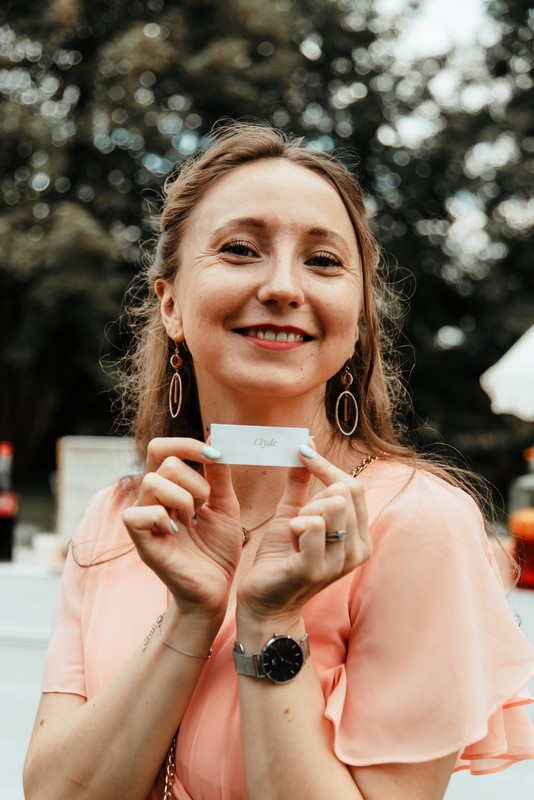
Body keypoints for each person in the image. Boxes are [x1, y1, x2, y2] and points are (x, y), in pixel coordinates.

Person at [24, 123, 534, 800]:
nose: (285, 287)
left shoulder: (419, 524)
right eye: (240, 249)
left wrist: (270, 622)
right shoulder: (118, 519)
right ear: (171, 304)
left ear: (355, 323)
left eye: (323, 262)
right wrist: (189, 615)